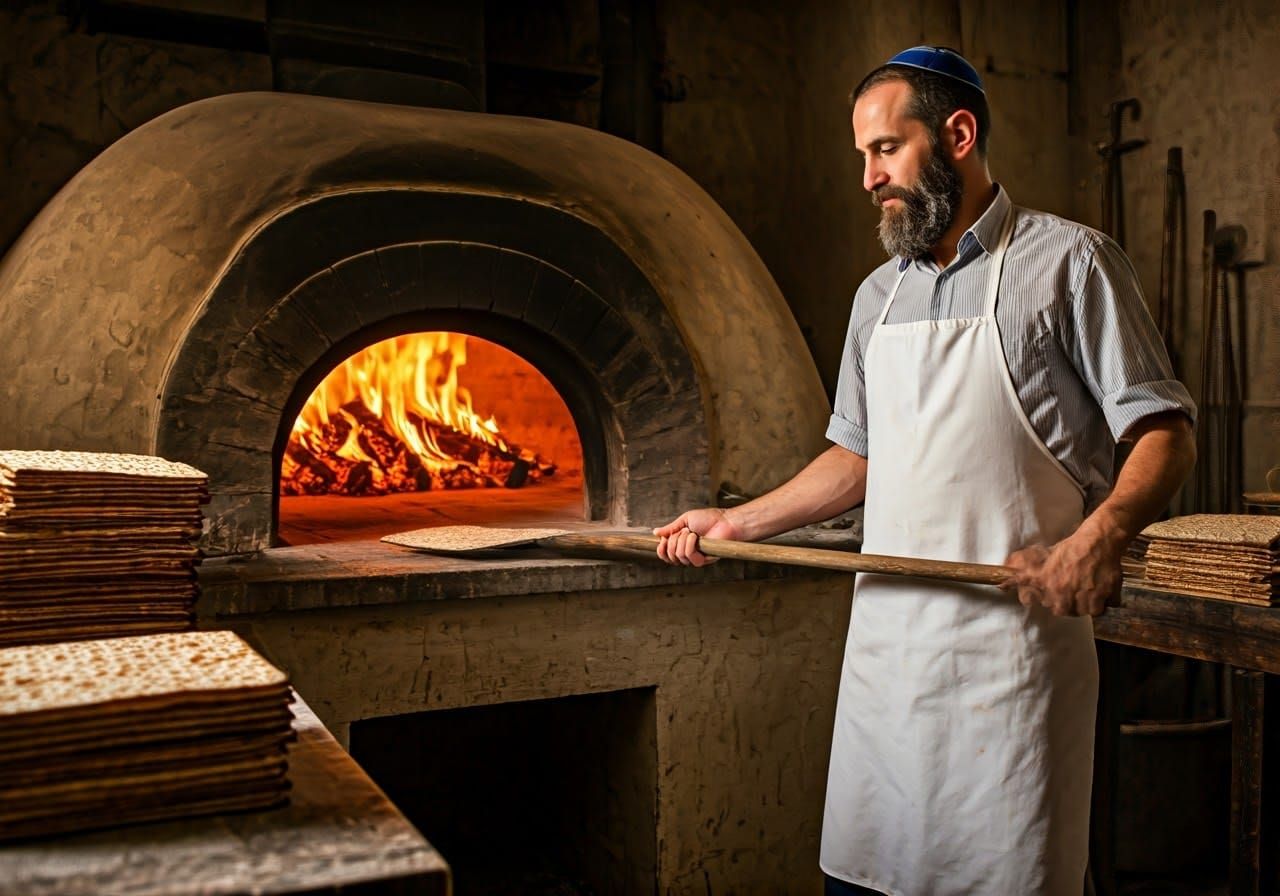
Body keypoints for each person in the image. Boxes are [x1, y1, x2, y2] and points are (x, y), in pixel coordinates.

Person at [655, 46, 1197, 896]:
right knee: (871, 875)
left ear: (957, 133)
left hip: (1013, 665)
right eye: (861, 156)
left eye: (885, 149)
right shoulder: (879, 298)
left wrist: (1101, 538)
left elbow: (1164, 431)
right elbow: (860, 455)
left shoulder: (1071, 265)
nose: (868, 178)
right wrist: (737, 522)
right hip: (888, 659)